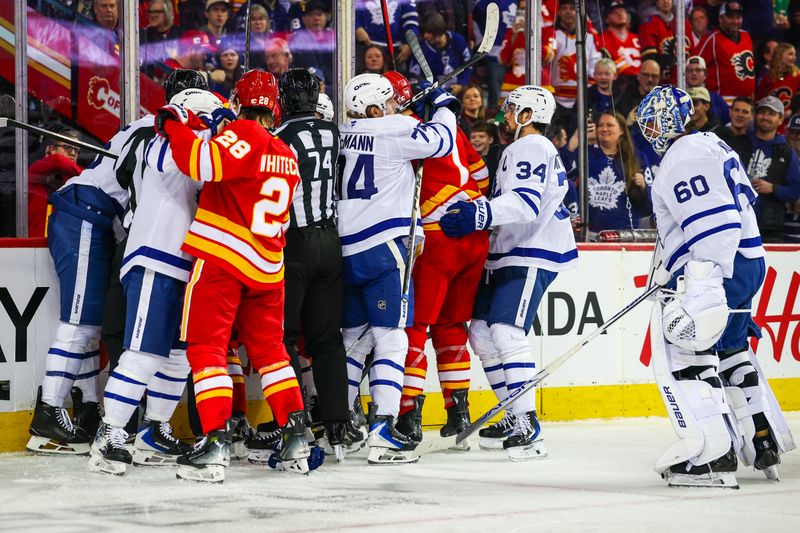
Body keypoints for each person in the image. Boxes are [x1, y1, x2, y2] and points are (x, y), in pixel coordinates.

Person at [25, 68, 208, 457]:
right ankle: (48, 414)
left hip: (96, 217)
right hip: (87, 214)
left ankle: (82, 412)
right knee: (81, 324)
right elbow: (140, 191)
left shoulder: (148, 127)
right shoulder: (159, 132)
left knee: (90, 327)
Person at [636, 85, 794, 488]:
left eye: (654, 119)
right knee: (731, 351)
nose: (648, 129)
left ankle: (712, 457)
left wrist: (702, 286)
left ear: (673, 118)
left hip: (716, 267)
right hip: (745, 260)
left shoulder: (683, 155)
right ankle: (761, 440)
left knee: (690, 355)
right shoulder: (711, 145)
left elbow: (715, 220)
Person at [158, 70, 310, 482]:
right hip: (268, 265)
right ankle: (296, 434)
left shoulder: (245, 132)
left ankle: (216, 441)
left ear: (241, 104)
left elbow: (199, 162)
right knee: (271, 351)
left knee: (207, 349)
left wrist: (173, 123)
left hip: (224, 259)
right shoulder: (286, 151)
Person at [88, 89, 230, 475]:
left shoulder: (201, 149)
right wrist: (204, 129)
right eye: (213, 115)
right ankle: (109, 433)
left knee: (179, 355)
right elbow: (186, 161)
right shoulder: (162, 144)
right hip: (156, 258)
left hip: (185, 265)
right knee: (144, 353)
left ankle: (153, 431)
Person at [440, 86, 578, 461]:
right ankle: (512, 412)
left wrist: (478, 214)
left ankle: (527, 423)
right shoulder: (517, 149)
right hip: (508, 250)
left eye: (513, 108)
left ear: (529, 115)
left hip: (531, 250)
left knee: (505, 331)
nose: (504, 114)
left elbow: (526, 203)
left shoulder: (531, 146)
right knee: (482, 334)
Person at [338, 73, 458, 464]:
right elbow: (442, 141)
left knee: (354, 338)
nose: (395, 106)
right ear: (375, 109)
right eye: (388, 102)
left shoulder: (342, 132)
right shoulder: (399, 126)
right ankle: (383, 429)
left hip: (345, 248)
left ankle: (341, 427)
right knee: (392, 338)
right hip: (384, 247)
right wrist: (442, 106)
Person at [383, 71, 490, 449]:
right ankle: (458, 410)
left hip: (439, 236)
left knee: (415, 327)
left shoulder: (404, 131)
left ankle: (409, 414)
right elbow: (481, 173)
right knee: (451, 324)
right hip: (475, 235)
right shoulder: (451, 128)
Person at [273, 69, 349, 459]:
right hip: (331, 239)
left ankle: (295, 423)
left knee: (283, 338)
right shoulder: (337, 133)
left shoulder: (278, 138)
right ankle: (339, 424)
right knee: (327, 338)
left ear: (283, 99)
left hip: (294, 244)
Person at [574, 111, 650, 236]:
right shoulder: (584, 154)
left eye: (609, 125)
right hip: (590, 234)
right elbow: (566, 177)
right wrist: (576, 140)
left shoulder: (637, 157)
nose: (604, 129)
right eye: (600, 125)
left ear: (622, 131)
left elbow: (649, 204)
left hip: (625, 235)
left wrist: (643, 186)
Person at [743, 96, 800, 242]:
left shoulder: (786, 152)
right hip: (738, 224)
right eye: (762, 112)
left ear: (780, 120)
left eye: (771, 114)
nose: (765, 117)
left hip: (771, 229)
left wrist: (773, 188)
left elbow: (795, 191)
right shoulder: (741, 143)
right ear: (756, 115)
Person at [544, 0, 601, 135]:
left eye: (571, 8)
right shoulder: (552, 35)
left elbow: (595, 66)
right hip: (556, 99)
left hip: (582, 99)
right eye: (564, 9)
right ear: (559, 12)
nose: (568, 12)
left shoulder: (590, 38)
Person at [696, 1, 756, 104]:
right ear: (721, 19)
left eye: (738, 17)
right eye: (731, 17)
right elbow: (693, 62)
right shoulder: (712, 39)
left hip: (747, 103)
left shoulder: (746, 36)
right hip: (723, 102)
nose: (735, 21)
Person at [27, 130, 83, 238]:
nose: (72, 153)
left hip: (61, 244)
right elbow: (58, 160)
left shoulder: (72, 178)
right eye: (67, 147)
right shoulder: (38, 167)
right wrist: (88, 175)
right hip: (35, 244)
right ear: (52, 149)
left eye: (76, 150)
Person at [408, 12, 472, 95]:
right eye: (424, 32)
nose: (425, 36)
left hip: (460, 91)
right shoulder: (421, 50)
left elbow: (468, 65)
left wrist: (461, 84)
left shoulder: (458, 40)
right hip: (436, 96)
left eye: (429, 32)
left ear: (438, 29)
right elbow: (414, 75)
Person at [638, 0, 691, 84]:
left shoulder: (684, 23)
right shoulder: (649, 24)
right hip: (661, 80)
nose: (666, 1)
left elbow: (691, 52)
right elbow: (650, 58)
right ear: (656, 2)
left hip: (684, 78)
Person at [355, 0, 419, 65]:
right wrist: (356, 27)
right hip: (364, 48)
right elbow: (347, 10)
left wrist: (410, 42)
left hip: (396, 51)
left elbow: (411, 20)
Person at [289, 1, 335, 86]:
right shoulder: (298, 39)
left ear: (326, 17)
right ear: (304, 19)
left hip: (334, 87)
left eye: (319, 14)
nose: (316, 18)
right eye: (311, 15)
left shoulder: (333, 38)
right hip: (307, 88)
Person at [755, 43, 800, 125]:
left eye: (795, 55)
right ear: (779, 55)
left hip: (789, 122)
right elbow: (759, 100)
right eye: (790, 54)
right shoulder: (768, 78)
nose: (794, 58)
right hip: (769, 120)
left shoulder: (797, 76)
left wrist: (793, 110)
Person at [600, 1, 641, 82]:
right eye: (615, 12)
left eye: (622, 11)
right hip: (617, 85)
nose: (620, 14)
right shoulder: (600, 40)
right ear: (607, 19)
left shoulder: (638, 39)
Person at [685, 56, 730, 126]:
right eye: (690, 70)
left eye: (698, 70)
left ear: (705, 74)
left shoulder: (717, 99)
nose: (694, 73)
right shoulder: (678, 98)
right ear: (685, 74)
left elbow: (727, 123)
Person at [718, 96, 754, 161]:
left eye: (745, 112)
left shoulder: (754, 143)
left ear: (752, 116)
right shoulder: (716, 136)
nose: (740, 115)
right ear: (730, 112)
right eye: (736, 110)